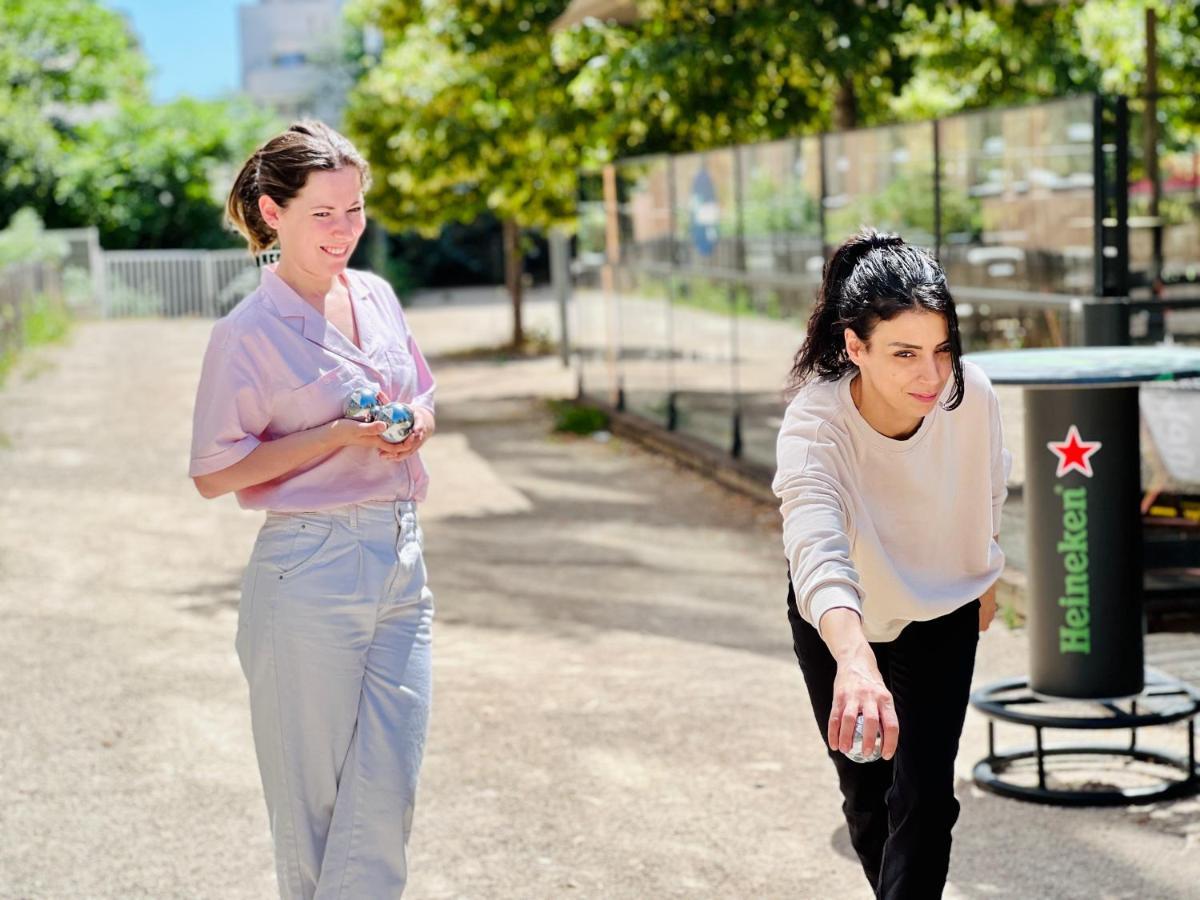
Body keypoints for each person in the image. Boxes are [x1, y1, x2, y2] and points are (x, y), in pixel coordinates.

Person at [189, 121, 436, 899]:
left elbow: (419, 388)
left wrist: (418, 421)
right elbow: (213, 472)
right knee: (315, 809)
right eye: (323, 214)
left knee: (386, 793)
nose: (344, 231)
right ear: (273, 213)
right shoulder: (246, 334)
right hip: (308, 572)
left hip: (402, 565)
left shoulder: (378, 295)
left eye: (354, 210)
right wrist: (333, 436)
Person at [773, 230, 1009, 899]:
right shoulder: (815, 424)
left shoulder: (972, 395)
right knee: (868, 795)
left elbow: (991, 481)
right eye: (904, 353)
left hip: (942, 606)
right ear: (855, 347)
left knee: (927, 798)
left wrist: (986, 567)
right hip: (843, 619)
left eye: (942, 349)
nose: (930, 375)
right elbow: (813, 544)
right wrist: (852, 657)